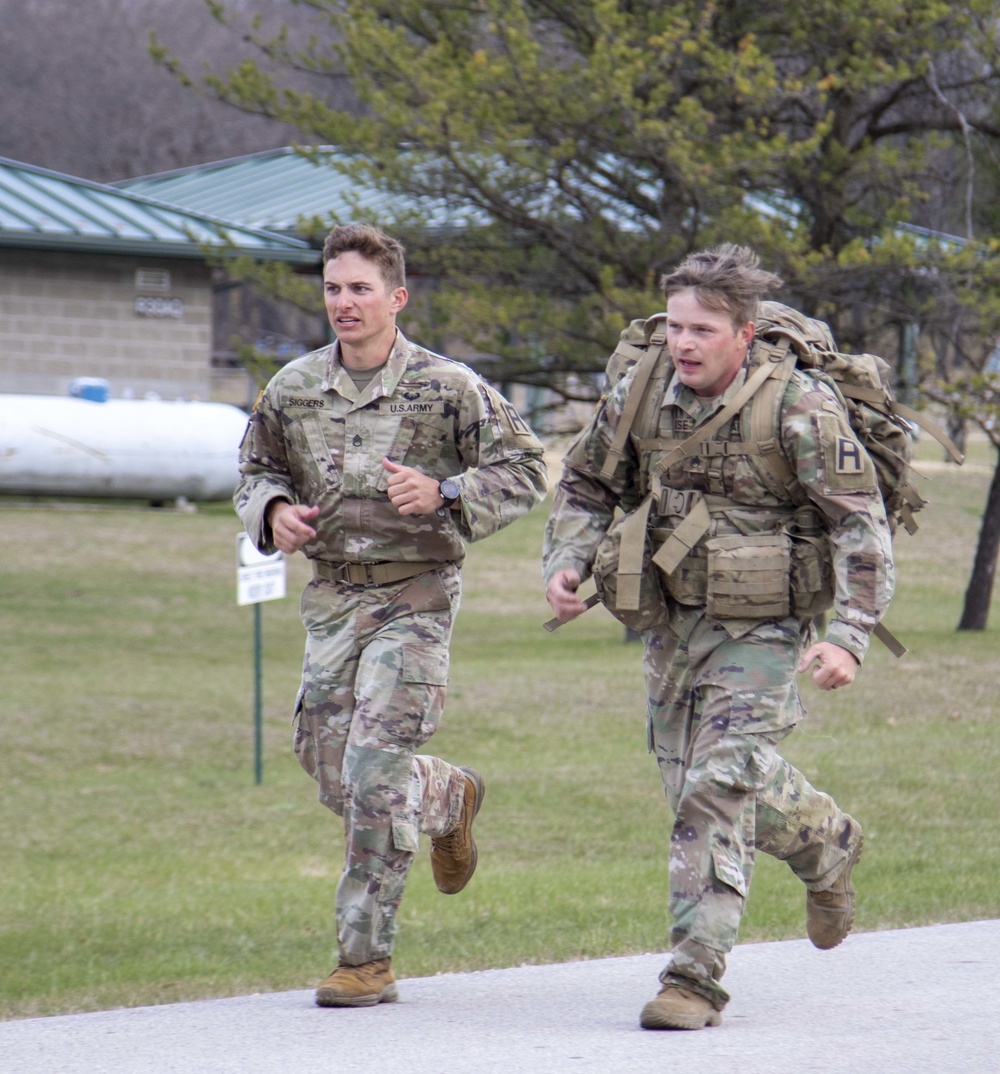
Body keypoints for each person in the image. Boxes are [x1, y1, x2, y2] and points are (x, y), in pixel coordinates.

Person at [543, 244, 894, 1030]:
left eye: (703, 328)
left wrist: (850, 634)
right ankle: (823, 839)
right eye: (674, 326)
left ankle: (693, 978)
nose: (684, 343)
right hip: (671, 621)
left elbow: (860, 525)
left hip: (764, 628)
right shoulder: (640, 393)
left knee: (712, 790)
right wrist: (566, 563)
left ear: (744, 332)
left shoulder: (797, 406)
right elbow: (586, 482)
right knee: (698, 788)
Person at [235, 223, 547, 1008]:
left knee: (373, 769)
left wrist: (447, 493)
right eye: (334, 288)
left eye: (360, 289)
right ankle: (446, 797)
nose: (344, 302)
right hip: (334, 597)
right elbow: (255, 469)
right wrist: (272, 514)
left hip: (416, 597)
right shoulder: (294, 386)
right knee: (328, 762)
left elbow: (528, 466)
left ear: (396, 298)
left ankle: (363, 959)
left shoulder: (449, 387)